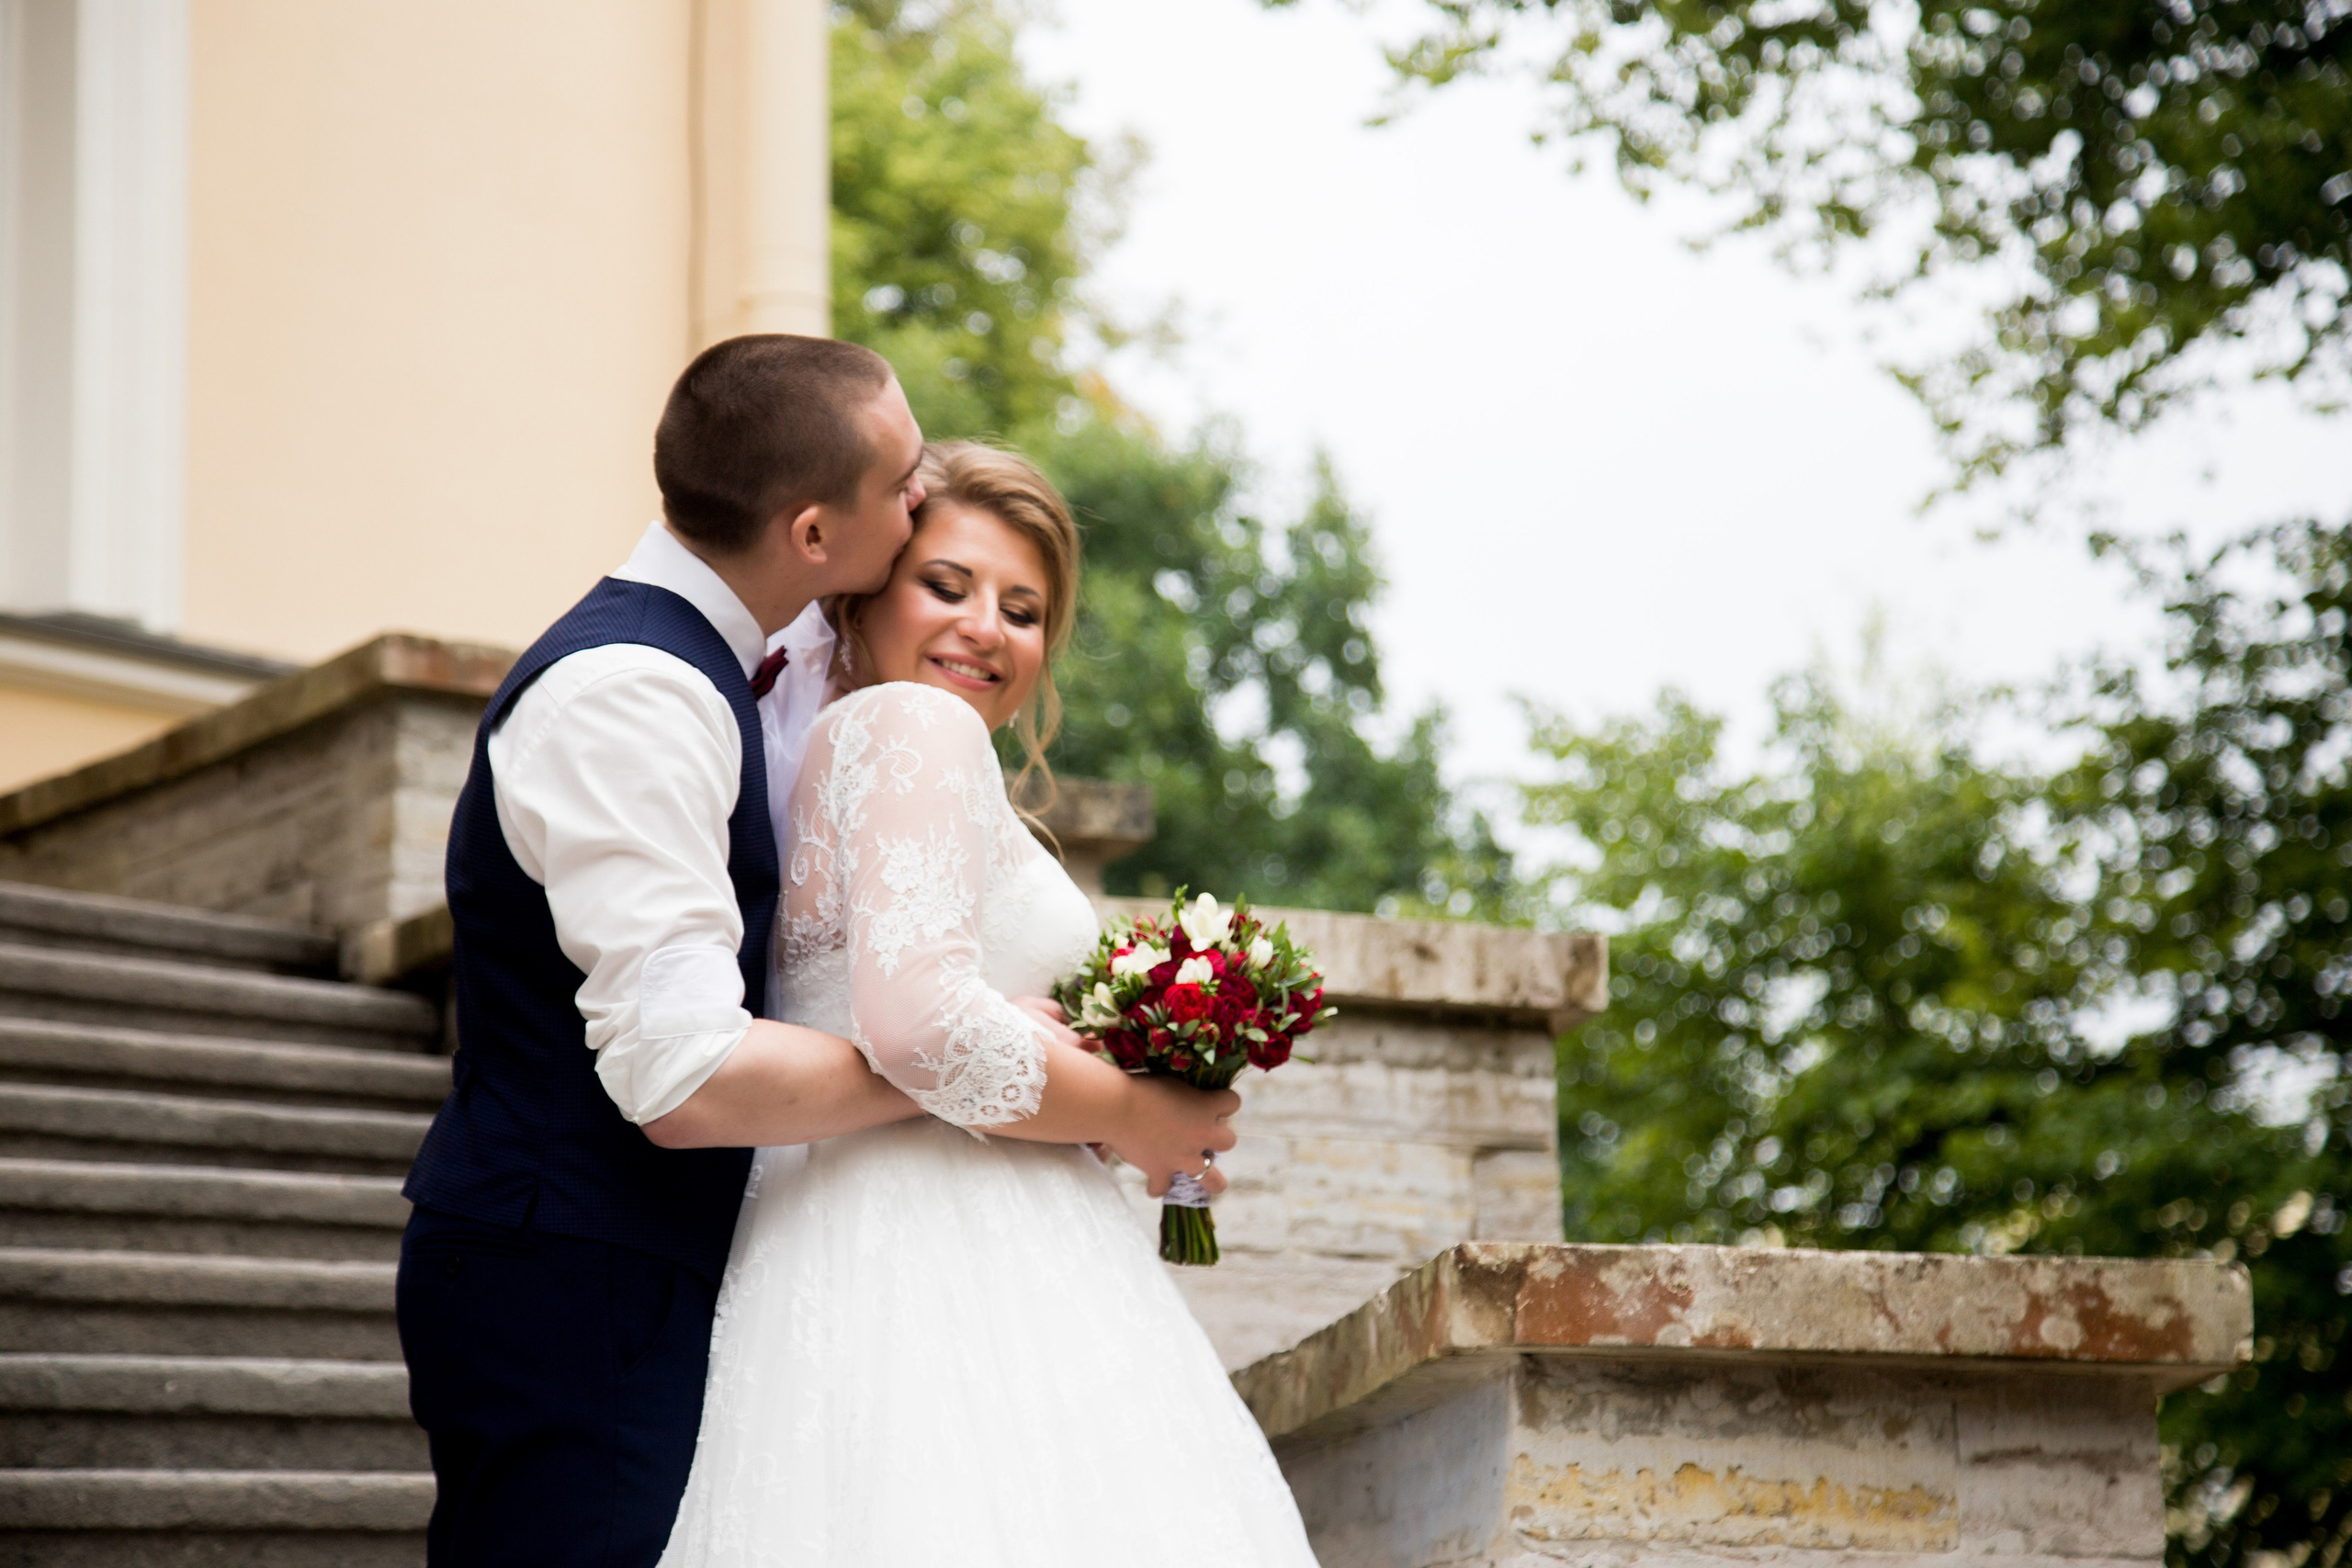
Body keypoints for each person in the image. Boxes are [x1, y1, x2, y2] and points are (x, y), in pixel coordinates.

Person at [396, 339, 1238, 1568]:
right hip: (572, 1266)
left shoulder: (774, 703)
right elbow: (693, 1069)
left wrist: (1059, 1075)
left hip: (740, 1245)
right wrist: (1080, 1090)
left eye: (1023, 606)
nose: (910, 512)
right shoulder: (639, 693)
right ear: (815, 538)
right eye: (909, 510)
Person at [657, 442, 1321, 1567]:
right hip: (929, 1248)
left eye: (1022, 609)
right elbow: (918, 1026)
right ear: (862, 599)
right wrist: (1128, 1111)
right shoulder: (913, 728)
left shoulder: (862, 748)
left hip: (893, 1217)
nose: (986, 628)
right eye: (946, 585)